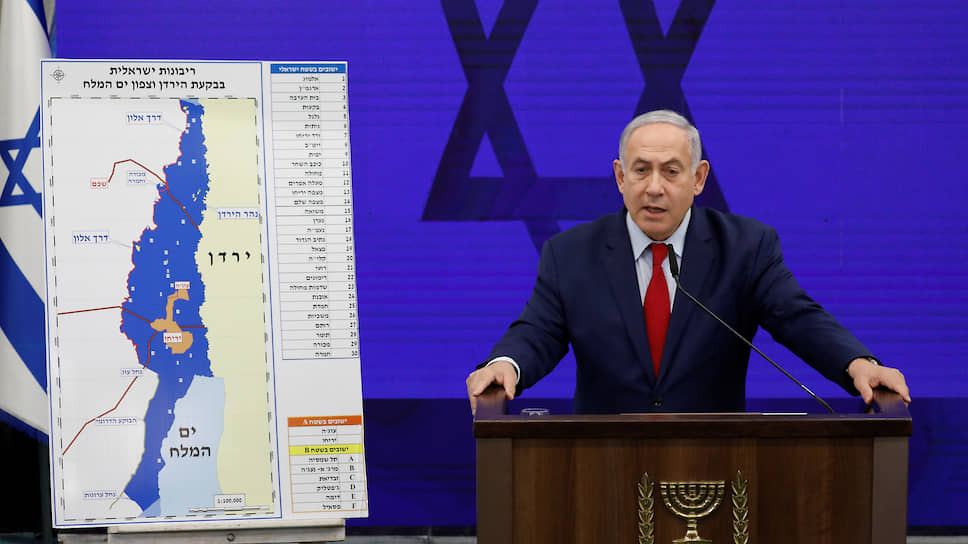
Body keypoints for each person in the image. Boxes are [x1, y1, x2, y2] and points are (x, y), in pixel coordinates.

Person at [466, 110, 911, 414]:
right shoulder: (571, 253)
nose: (654, 187)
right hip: (603, 462)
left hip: (714, 465)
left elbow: (797, 318)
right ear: (620, 177)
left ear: (698, 179)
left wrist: (857, 363)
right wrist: (505, 363)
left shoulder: (745, 248)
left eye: (671, 171)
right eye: (641, 170)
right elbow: (538, 330)